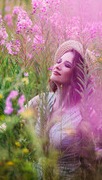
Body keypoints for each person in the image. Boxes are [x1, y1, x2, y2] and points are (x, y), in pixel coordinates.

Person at [28, 40, 97, 178]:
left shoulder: (84, 114)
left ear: (76, 75)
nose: (58, 66)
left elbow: (91, 160)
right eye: (58, 61)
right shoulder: (41, 100)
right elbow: (14, 119)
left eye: (66, 65)